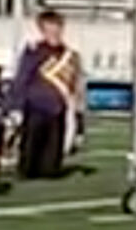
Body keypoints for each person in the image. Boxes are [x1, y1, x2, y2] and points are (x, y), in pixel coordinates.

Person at [10, 10, 83, 180]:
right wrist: (15, 105)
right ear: (42, 30)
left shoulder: (69, 55)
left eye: (57, 27)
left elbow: (75, 83)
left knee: (50, 167)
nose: (54, 32)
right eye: (50, 28)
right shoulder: (34, 51)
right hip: (36, 106)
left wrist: (77, 107)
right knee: (29, 158)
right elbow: (22, 77)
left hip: (57, 108)